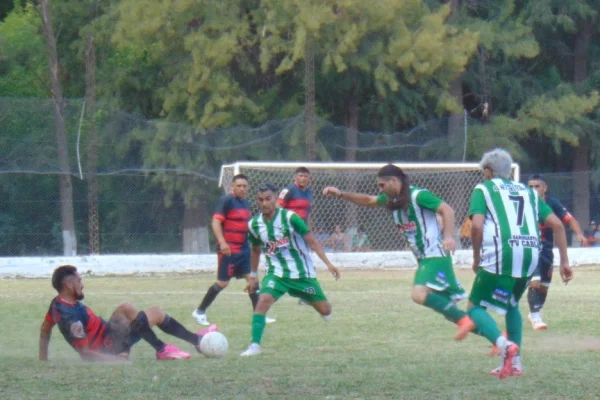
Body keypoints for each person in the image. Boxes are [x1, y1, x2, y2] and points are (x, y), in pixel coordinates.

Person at [322, 164, 474, 341]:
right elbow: (369, 200)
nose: (380, 189)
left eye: (382, 185)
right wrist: (341, 194)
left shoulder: (418, 195)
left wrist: (448, 236)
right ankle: (499, 339)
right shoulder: (393, 200)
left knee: (419, 295)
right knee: (449, 311)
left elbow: (447, 209)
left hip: (435, 255)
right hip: (425, 259)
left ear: (394, 181)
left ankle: (464, 321)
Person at [466, 149, 572, 379]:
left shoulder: (483, 188)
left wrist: (476, 258)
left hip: (501, 253)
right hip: (530, 254)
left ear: (487, 171)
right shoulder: (529, 192)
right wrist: (564, 261)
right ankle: (515, 363)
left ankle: (504, 345)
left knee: (474, 309)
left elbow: (476, 226)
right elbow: (558, 225)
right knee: (511, 304)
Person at [240, 183, 341, 356]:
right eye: (260, 200)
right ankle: (254, 345)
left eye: (268, 199)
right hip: (276, 273)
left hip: (301, 274)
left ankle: (307, 297)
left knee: (326, 311)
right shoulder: (254, 225)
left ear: (275, 199)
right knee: (262, 301)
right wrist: (253, 276)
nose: (264, 203)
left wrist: (328, 264)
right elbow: (256, 250)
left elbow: (312, 241)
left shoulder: (290, 218)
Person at [39, 265, 216, 362]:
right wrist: (116, 360)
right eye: (79, 280)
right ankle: (163, 349)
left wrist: (42, 361)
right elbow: (86, 353)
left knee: (142, 310)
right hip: (108, 346)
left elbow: (45, 329)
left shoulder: (57, 304)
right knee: (141, 311)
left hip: (108, 335)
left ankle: (195, 341)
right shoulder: (71, 318)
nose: (82, 283)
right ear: (69, 285)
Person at [192, 174, 275, 326]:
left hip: (244, 251)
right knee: (222, 283)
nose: (242, 188)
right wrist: (222, 242)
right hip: (228, 251)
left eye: (244, 186)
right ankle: (200, 311)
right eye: (239, 186)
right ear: (233, 187)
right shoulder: (226, 201)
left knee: (253, 280)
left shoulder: (246, 203)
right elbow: (216, 222)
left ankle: (260, 315)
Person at [526, 174, 587, 330]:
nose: (533, 189)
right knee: (535, 280)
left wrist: (579, 233)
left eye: (537, 186)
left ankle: (535, 311)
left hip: (546, 250)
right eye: (530, 186)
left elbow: (569, 219)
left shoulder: (552, 203)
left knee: (544, 286)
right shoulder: (523, 202)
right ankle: (535, 317)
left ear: (545, 188)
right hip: (529, 248)